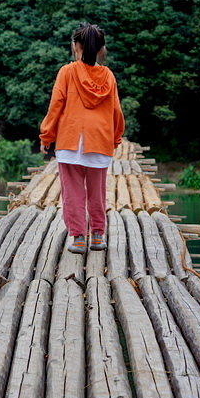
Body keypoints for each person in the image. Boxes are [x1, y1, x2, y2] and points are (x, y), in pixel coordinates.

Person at [39, 23, 124, 254]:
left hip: (70, 139)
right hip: (99, 140)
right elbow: (116, 111)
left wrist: (46, 135)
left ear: (76, 46)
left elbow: (56, 106)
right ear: (100, 49)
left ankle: (78, 238)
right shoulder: (108, 76)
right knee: (97, 191)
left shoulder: (67, 72)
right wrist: (115, 139)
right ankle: (97, 235)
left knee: (73, 192)